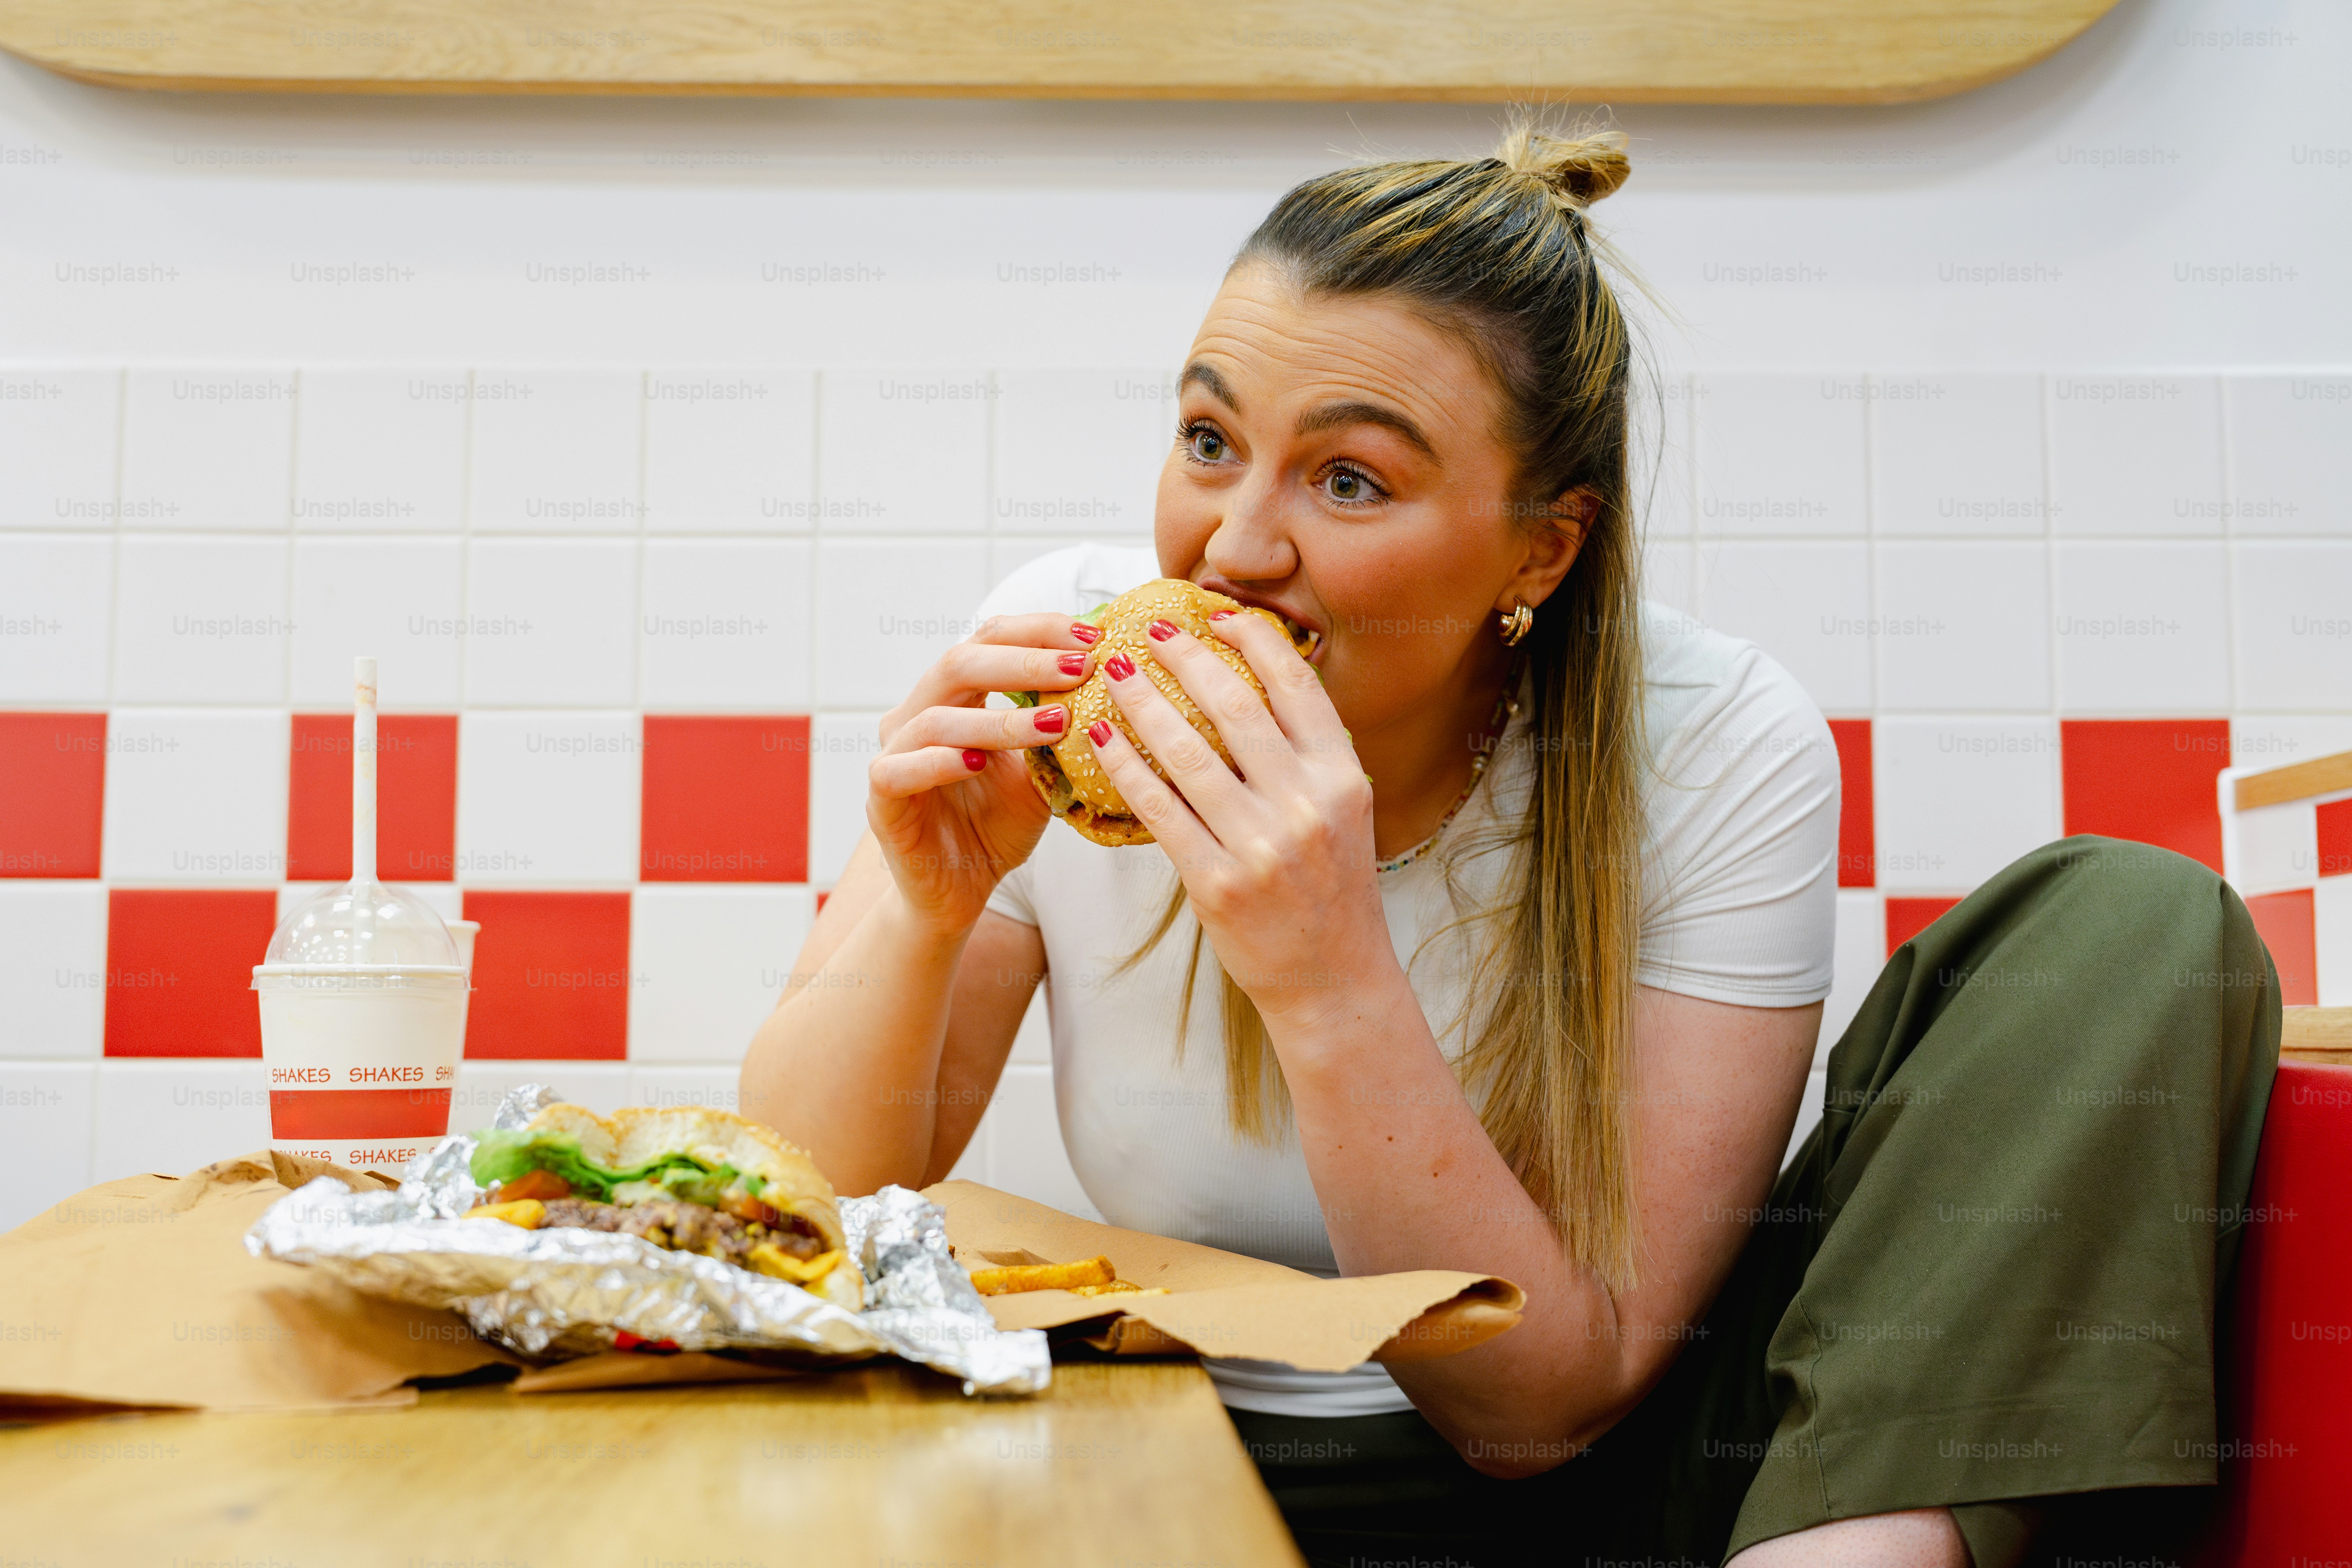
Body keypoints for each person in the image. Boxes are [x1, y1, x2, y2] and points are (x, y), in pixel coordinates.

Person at [741, 126, 2279, 1567]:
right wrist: (927, 910)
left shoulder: (1716, 742)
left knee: (2131, 916)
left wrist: (1330, 971)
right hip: (1166, 1437)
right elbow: (798, 1204)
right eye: (1210, 439)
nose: (1234, 545)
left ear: (1541, 547)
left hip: (1624, 1487)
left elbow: (1542, 1412)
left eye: (1350, 478)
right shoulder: (1065, 665)